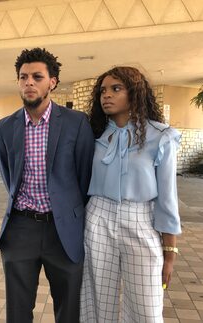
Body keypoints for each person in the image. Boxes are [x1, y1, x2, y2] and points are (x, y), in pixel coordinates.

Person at [0, 47, 94, 323]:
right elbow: (8, 175)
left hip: (64, 231)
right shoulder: (5, 127)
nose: (29, 82)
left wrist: (69, 213)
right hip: (21, 229)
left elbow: (85, 176)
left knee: (69, 308)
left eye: (37, 76)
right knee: (17, 311)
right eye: (23, 77)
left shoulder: (77, 123)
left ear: (53, 82)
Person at [80, 66, 181, 322]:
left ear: (135, 92)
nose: (107, 95)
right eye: (103, 90)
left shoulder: (161, 137)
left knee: (146, 308)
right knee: (96, 302)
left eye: (116, 88)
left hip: (141, 220)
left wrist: (169, 254)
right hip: (98, 218)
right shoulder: (94, 135)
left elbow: (167, 198)